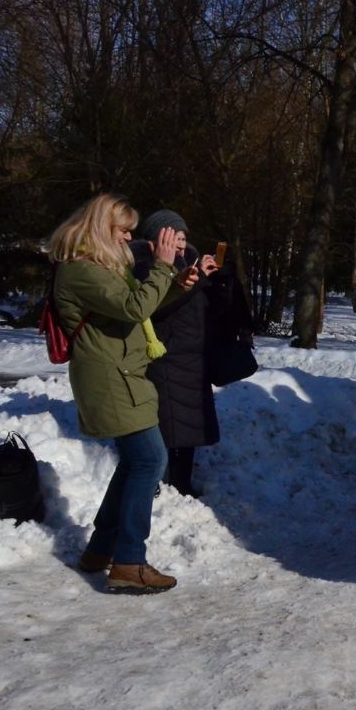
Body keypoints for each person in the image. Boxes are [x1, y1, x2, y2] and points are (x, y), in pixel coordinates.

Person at [48, 193, 199, 593]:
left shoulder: (100, 267)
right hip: (110, 378)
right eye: (123, 230)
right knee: (150, 459)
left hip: (124, 373)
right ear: (100, 228)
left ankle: (101, 550)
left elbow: (136, 307)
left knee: (137, 461)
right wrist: (163, 266)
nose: (129, 237)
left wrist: (175, 285)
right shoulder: (81, 270)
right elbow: (134, 308)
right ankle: (129, 561)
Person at [131, 209, 240, 498]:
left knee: (189, 426)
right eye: (175, 237)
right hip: (167, 356)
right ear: (159, 237)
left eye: (183, 237)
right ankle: (154, 480)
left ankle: (181, 482)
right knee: (168, 425)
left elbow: (209, 309)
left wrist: (219, 281)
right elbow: (158, 307)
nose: (181, 243)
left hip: (194, 356)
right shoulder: (144, 265)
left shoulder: (189, 263)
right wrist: (198, 279)